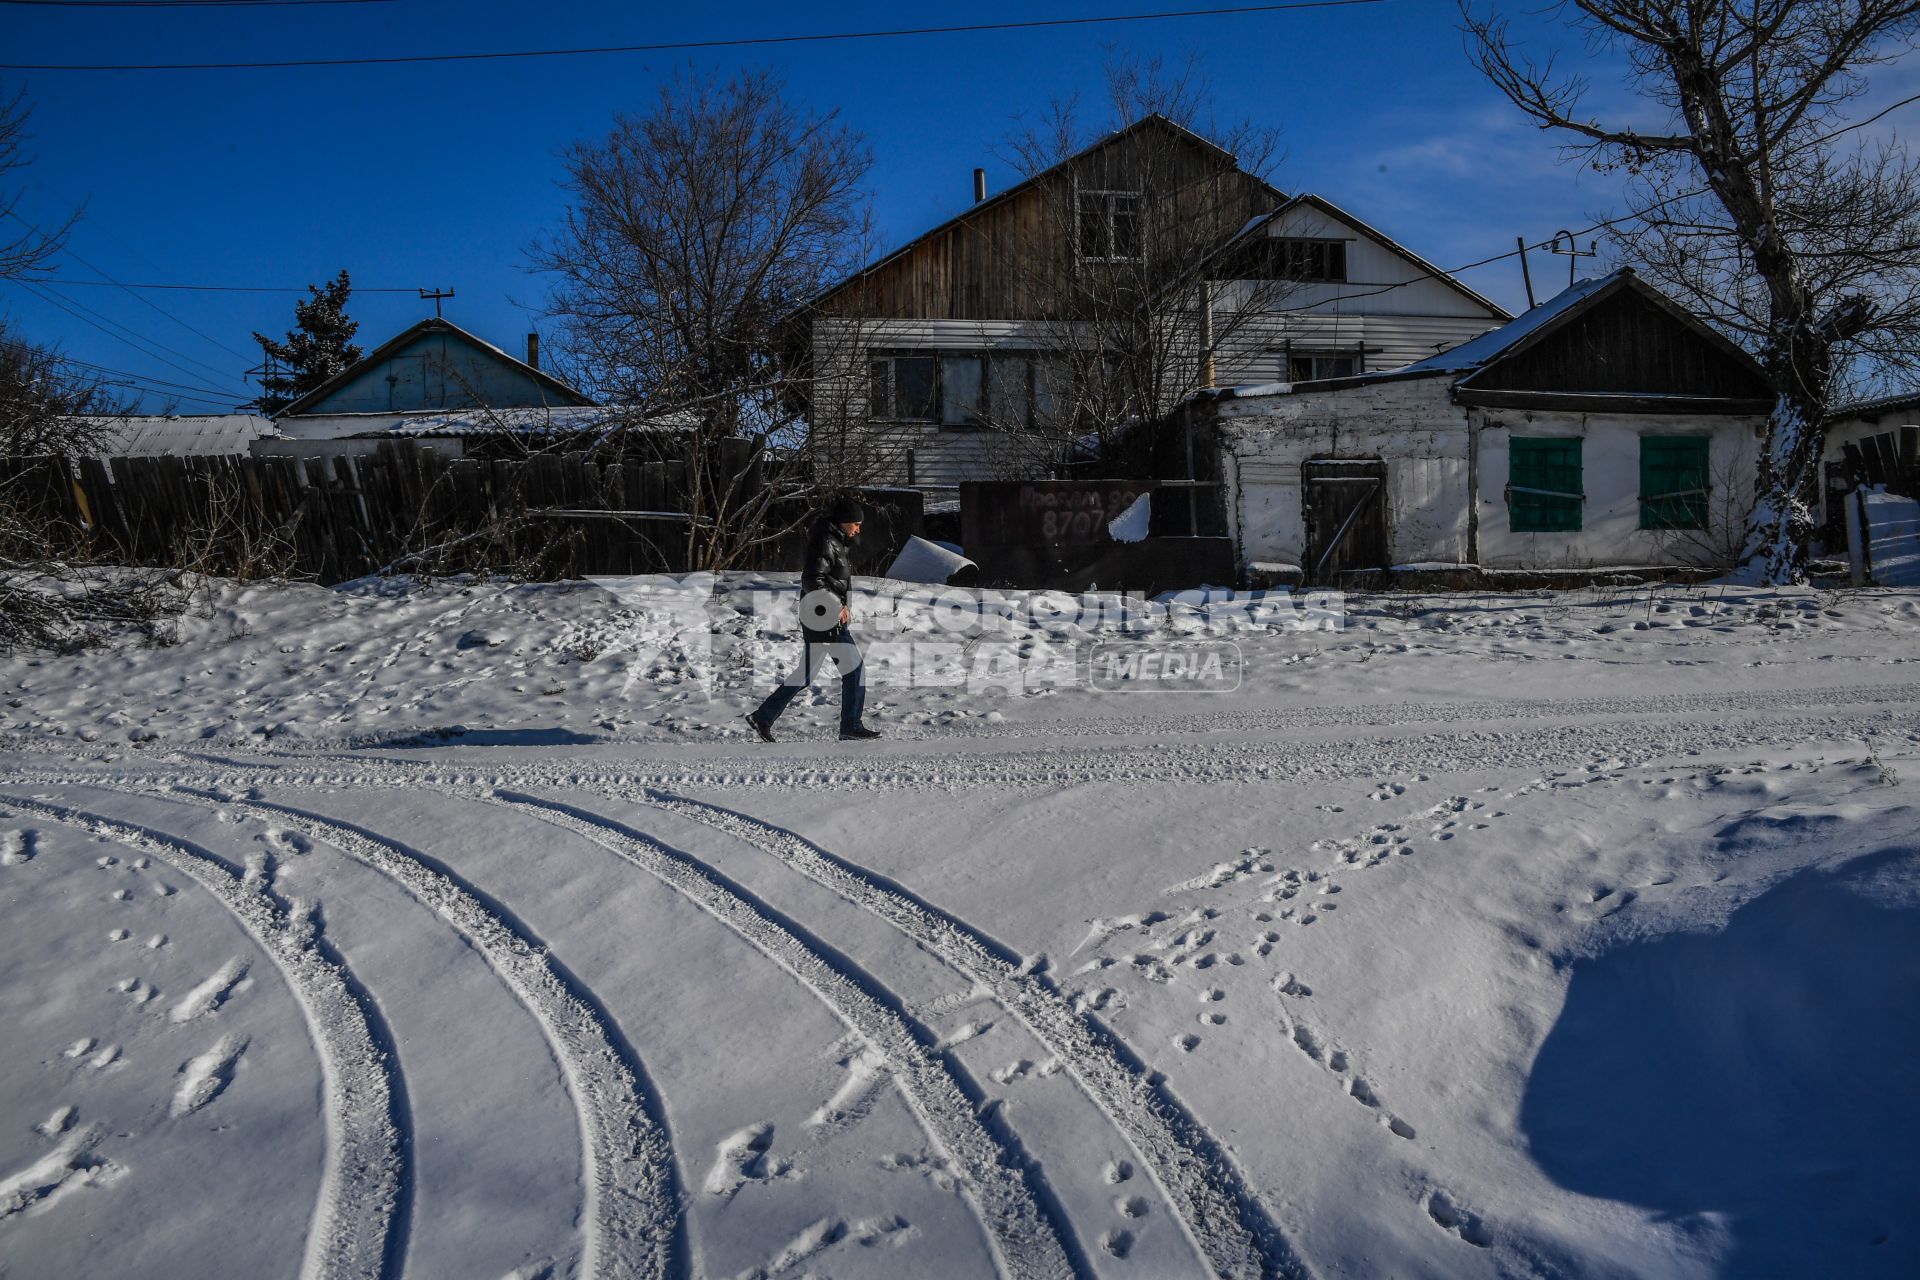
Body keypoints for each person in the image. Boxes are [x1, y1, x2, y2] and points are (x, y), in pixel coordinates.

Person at [746, 495, 881, 742]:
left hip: (819, 618)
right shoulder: (825, 542)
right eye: (855, 523)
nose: (858, 528)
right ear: (843, 522)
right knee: (855, 671)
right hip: (824, 618)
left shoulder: (834, 541)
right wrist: (836, 604)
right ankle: (850, 726)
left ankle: (763, 717)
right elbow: (811, 579)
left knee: (806, 674)